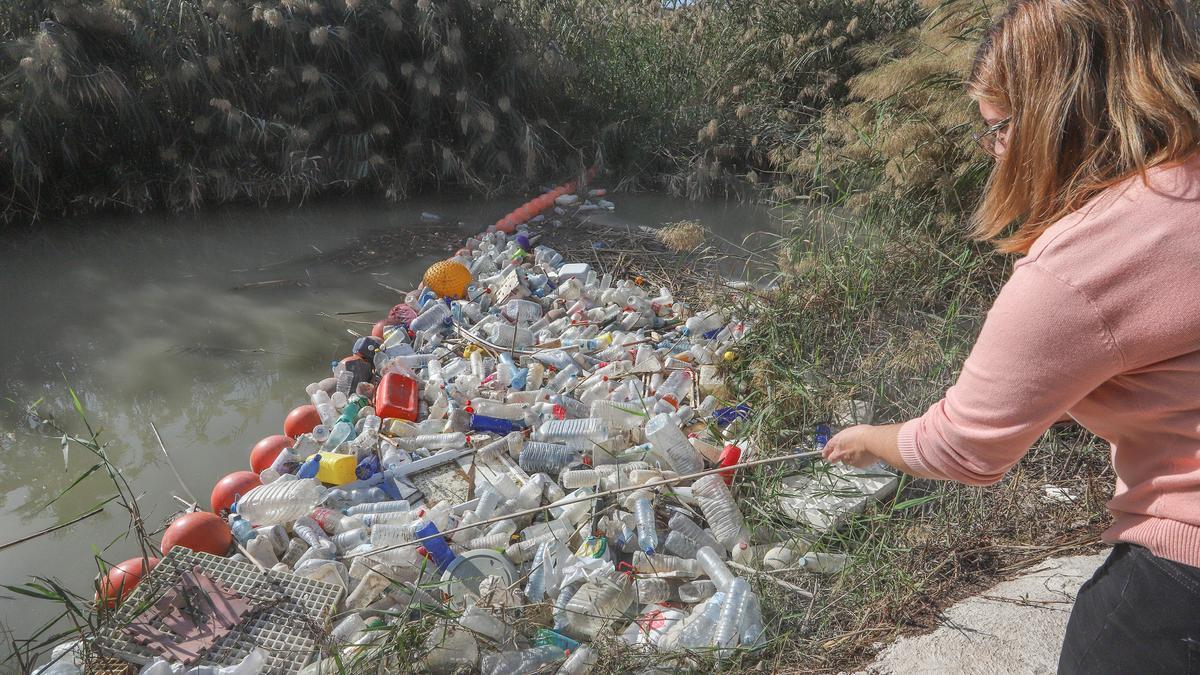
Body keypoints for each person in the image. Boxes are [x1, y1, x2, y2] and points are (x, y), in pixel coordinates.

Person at [820, 1, 1200, 672]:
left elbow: (966, 448)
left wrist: (870, 440)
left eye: (999, 127)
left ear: (1060, 110)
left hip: (1177, 593)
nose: (994, 150)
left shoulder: (1086, 260)